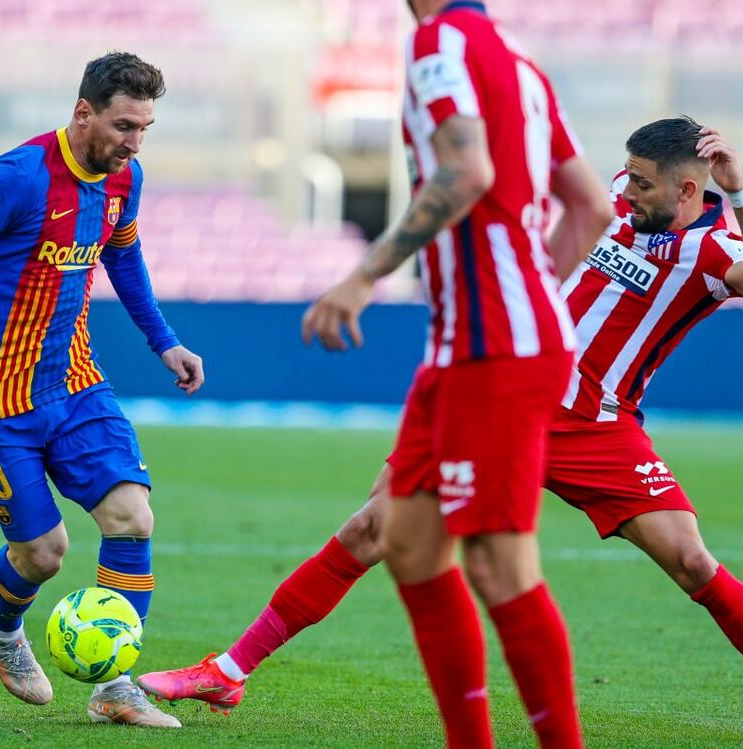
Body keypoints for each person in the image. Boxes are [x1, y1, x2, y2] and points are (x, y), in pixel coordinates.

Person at [141, 116, 743, 742]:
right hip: (508, 394)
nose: (627, 190)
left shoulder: (714, 247)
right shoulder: (616, 202)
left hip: (600, 425)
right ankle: (230, 666)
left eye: (643, 184)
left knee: (693, 561)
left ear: (687, 189)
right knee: (373, 526)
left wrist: (738, 192)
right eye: (627, 176)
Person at [145, 2, 609, 747]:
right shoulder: (520, 65)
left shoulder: (436, 43)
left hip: (495, 349)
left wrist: (363, 277)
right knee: (408, 543)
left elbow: (466, 170)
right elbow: (589, 206)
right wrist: (531, 303)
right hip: (476, 345)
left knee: (499, 564)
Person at [0, 51, 203, 729]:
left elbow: (124, 256)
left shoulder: (123, 179)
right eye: (124, 126)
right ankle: (1, 624)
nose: (134, 143)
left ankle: (116, 686)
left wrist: (163, 339)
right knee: (43, 553)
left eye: (145, 128)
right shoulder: (18, 176)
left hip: (76, 384)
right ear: (84, 112)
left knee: (133, 517)